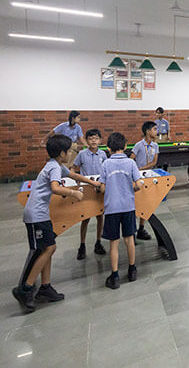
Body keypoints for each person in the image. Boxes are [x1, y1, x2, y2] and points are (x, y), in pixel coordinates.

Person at [13, 135, 99, 312]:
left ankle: (45, 287)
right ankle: (26, 289)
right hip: (36, 216)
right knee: (48, 249)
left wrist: (92, 182)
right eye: (69, 151)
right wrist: (73, 193)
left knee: (48, 248)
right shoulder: (53, 167)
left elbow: (73, 174)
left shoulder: (56, 165)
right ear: (62, 153)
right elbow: (55, 187)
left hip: (41, 215)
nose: (71, 154)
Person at [100, 132, 145, 289]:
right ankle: (132, 270)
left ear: (108, 148)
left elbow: (103, 187)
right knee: (129, 239)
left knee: (114, 243)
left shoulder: (106, 164)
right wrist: (130, 188)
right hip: (128, 207)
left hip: (111, 208)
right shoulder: (131, 163)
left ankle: (115, 276)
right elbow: (139, 184)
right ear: (125, 146)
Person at [72, 128, 107, 259]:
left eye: (96, 138)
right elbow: (73, 168)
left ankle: (98, 243)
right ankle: (82, 245)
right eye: (91, 138)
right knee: (85, 218)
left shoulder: (103, 154)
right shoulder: (82, 154)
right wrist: (76, 180)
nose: (93, 141)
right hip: (86, 189)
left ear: (100, 140)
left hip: (99, 188)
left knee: (100, 217)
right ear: (86, 140)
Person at [130, 122, 158, 241]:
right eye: (154, 129)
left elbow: (154, 162)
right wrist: (136, 171)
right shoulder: (138, 145)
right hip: (137, 177)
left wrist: (142, 168)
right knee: (136, 204)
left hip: (149, 176)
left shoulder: (155, 145)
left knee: (146, 204)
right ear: (147, 131)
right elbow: (131, 160)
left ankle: (141, 229)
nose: (157, 131)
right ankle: (132, 232)